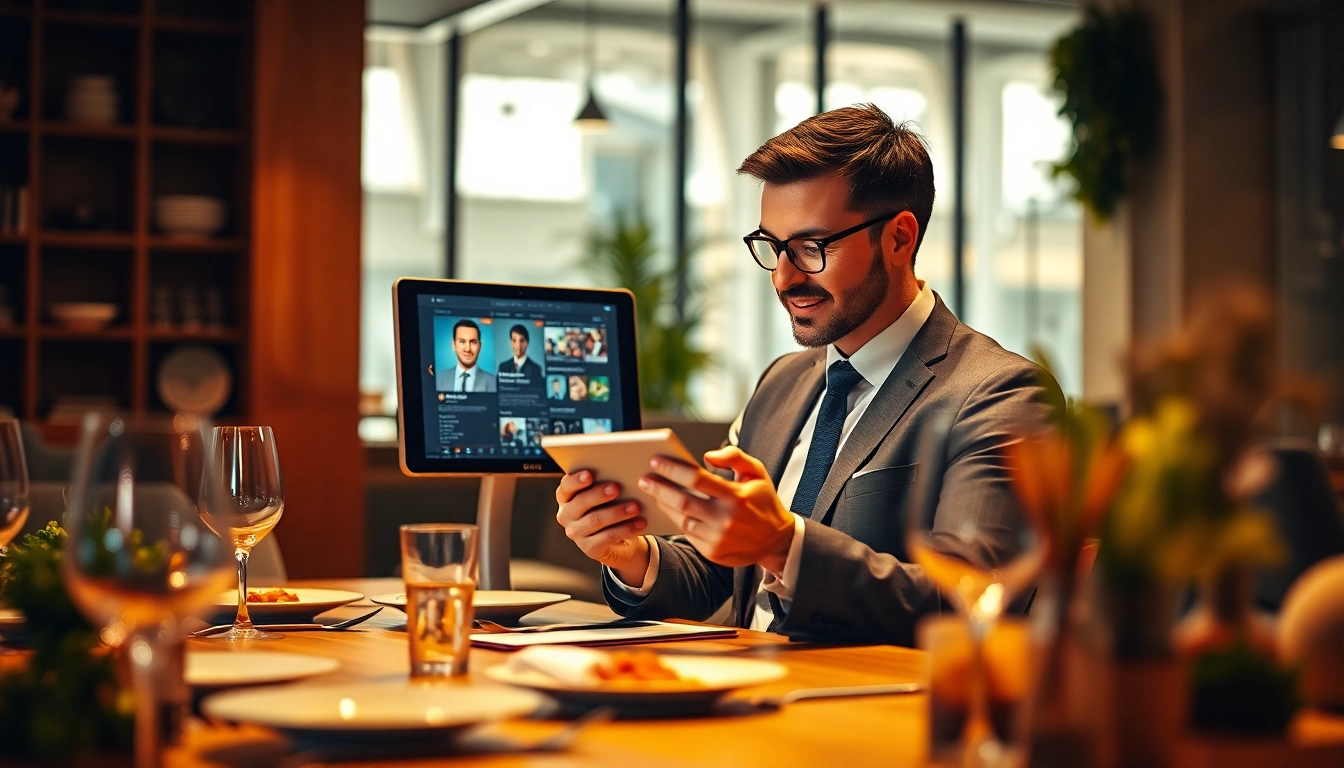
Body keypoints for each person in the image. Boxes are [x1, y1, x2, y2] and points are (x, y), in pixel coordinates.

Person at [553, 105, 1053, 646]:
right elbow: (715, 570)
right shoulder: (781, 384)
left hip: (870, 714)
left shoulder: (999, 394)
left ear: (899, 239)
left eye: (812, 248)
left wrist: (783, 545)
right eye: (773, 247)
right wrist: (630, 556)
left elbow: (970, 603)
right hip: (749, 697)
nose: (786, 277)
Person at [436, 319, 496, 393]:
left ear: (479, 346)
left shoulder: (494, 383)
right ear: (454, 345)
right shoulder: (438, 379)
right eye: (462, 341)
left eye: (473, 342)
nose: (467, 349)